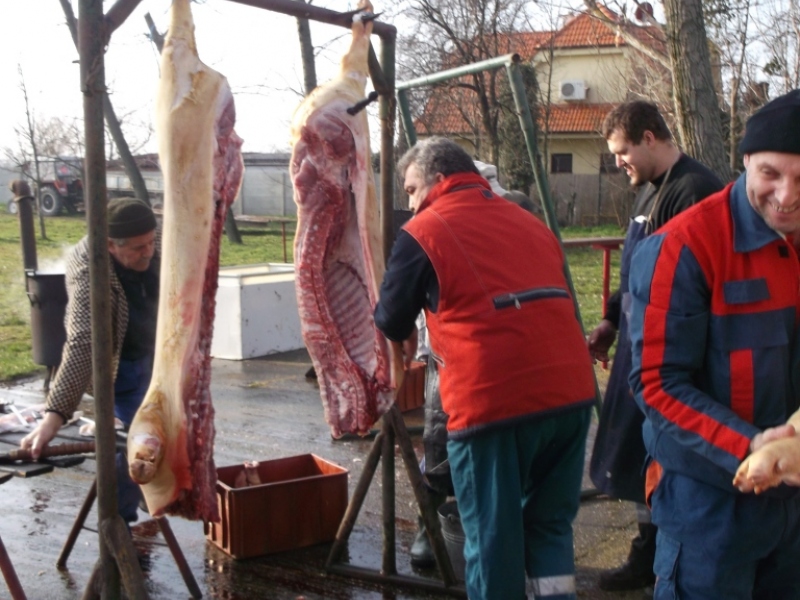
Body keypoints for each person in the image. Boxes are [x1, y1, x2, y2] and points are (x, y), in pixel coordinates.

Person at [374, 136, 596, 599]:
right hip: (571, 396)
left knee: (494, 540)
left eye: (411, 190)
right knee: (550, 527)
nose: (410, 203)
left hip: (493, 403)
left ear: (438, 179)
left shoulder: (425, 230)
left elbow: (391, 317)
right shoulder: (530, 222)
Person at [627, 89, 800, 599]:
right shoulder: (685, 247)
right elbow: (657, 386)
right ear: (745, 160)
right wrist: (753, 446)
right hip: (710, 511)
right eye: (771, 173)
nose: (787, 195)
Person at [586, 101, 724, 591]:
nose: (618, 162)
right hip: (637, 342)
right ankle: (650, 552)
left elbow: (685, 283)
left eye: (622, 151)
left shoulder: (694, 191)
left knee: (661, 455)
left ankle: (654, 558)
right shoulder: (649, 192)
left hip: (668, 354)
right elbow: (640, 271)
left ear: (649, 137)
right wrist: (609, 320)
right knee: (637, 457)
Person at [21, 198, 160, 527]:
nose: (149, 252)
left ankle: (149, 491)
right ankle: (120, 523)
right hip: (121, 362)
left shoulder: (151, 237)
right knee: (131, 442)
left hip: (156, 349)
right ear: (111, 246)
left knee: (167, 429)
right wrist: (54, 417)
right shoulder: (89, 270)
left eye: (152, 243)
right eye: (139, 248)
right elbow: (84, 342)